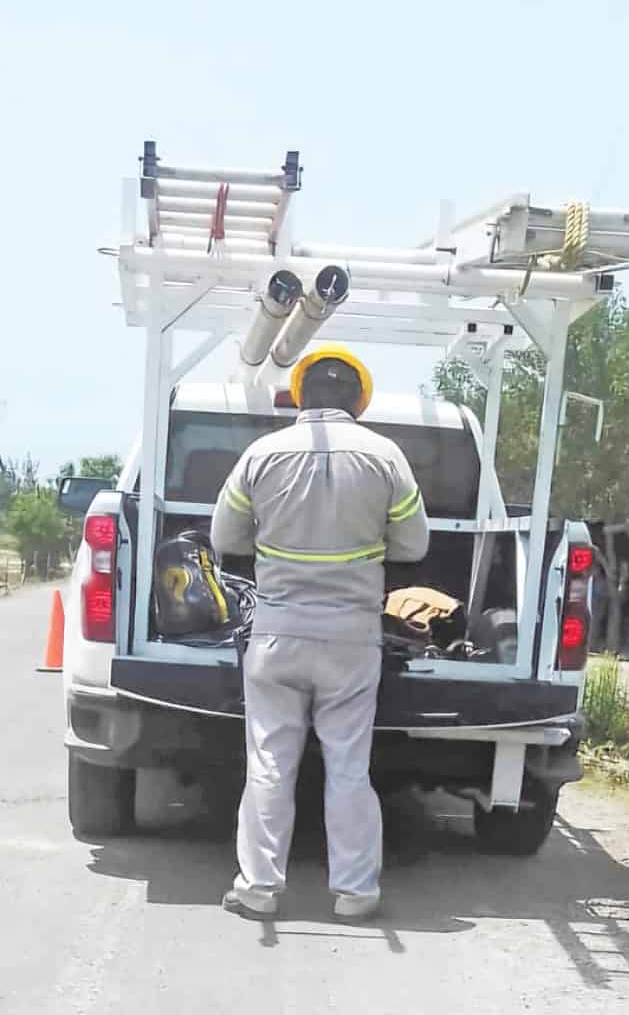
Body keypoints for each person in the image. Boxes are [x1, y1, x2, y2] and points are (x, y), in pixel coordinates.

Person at [211, 344, 430, 923]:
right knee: (349, 769)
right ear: (359, 400)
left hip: (278, 636)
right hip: (352, 642)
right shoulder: (386, 456)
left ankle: (258, 889)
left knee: (269, 765)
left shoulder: (261, 453)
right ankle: (356, 893)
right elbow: (414, 545)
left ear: (299, 396)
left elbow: (224, 537)